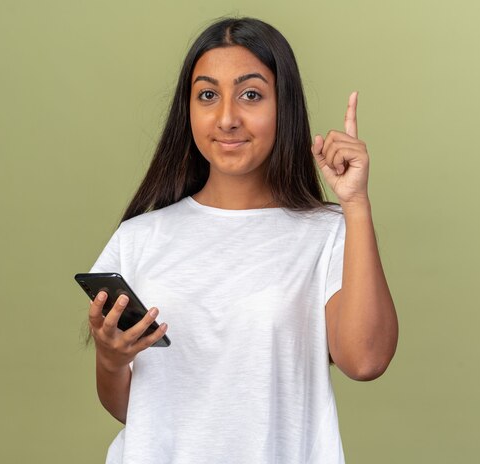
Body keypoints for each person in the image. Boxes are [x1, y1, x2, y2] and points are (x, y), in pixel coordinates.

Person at [85, 16, 398, 464]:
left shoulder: (327, 232)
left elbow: (366, 361)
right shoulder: (138, 238)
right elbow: (139, 414)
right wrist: (110, 361)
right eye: (208, 95)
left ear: (283, 106)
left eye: (251, 94)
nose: (227, 118)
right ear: (188, 109)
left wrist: (356, 203)